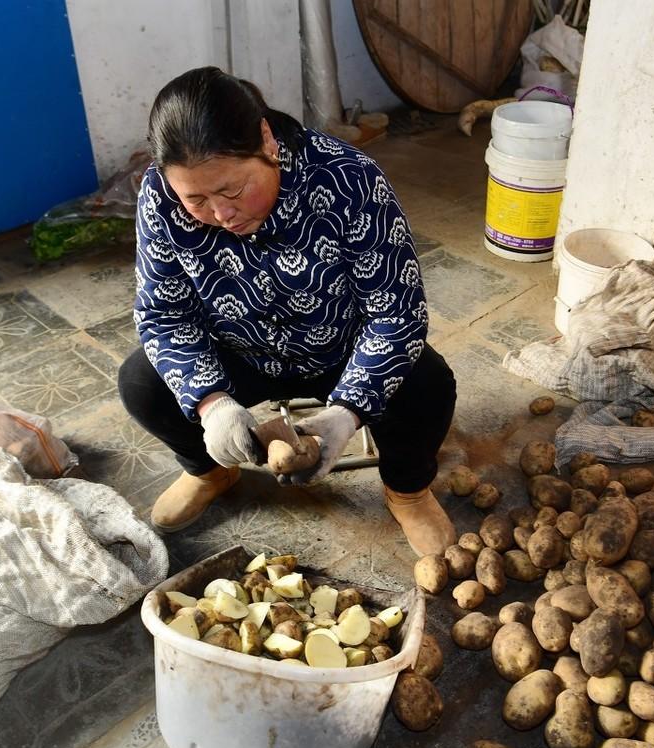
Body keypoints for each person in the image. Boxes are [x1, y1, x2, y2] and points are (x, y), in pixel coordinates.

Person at [117, 67, 458, 557]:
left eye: (232, 190)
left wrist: (349, 410)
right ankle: (211, 471)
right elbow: (164, 314)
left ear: (266, 141)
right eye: (196, 199)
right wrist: (212, 405)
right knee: (141, 383)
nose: (221, 214)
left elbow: (395, 311)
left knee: (426, 383)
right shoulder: (159, 196)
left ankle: (407, 490)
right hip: (238, 352)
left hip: (340, 349)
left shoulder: (348, 179)